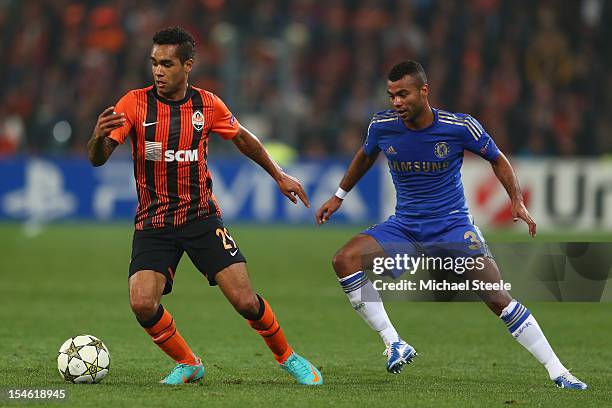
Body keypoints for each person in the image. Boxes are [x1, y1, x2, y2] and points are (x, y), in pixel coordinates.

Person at [315, 60, 586, 390]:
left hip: (452, 227)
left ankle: (558, 371)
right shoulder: (382, 125)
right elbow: (366, 154)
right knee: (344, 260)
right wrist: (339, 195)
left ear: (423, 91)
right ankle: (394, 342)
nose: (396, 102)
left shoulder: (459, 127)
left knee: (497, 297)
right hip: (405, 227)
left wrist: (516, 199)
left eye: (403, 94)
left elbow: (497, 158)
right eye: (391, 95)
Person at [87, 26, 322, 386]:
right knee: (142, 303)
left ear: (187, 66)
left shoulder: (207, 105)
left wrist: (278, 174)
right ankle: (189, 362)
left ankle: (288, 357)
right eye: (154, 63)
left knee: (245, 300)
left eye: (166, 64)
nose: (158, 71)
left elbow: (243, 138)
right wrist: (98, 138)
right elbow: (98, 158)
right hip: (154, 222)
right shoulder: (133, 103)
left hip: (201, 217)